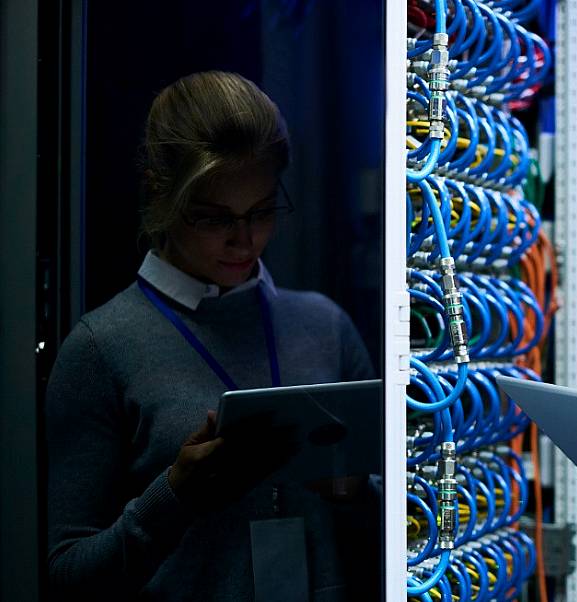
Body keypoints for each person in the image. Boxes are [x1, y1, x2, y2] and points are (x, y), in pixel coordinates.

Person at [46, 71, 375, 600]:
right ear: (162, 193)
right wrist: (175, 497)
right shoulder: (100, 348)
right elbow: (66, 576)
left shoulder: (324, 325)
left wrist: (356, 492)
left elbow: (401, 529)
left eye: (262, 212)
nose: (245, 240)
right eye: (213, 218)